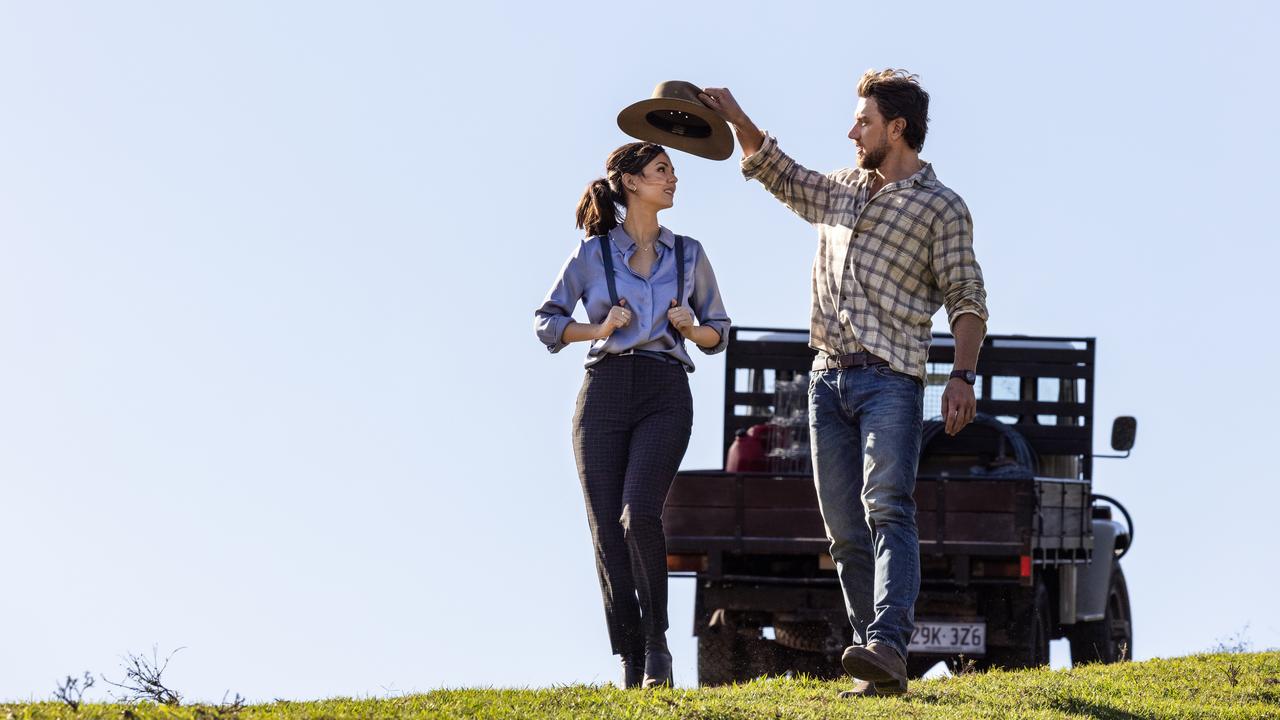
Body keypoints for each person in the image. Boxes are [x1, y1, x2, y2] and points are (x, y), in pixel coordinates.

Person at [698, 69, 989, 697]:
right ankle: (876, 660)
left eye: (863, 120)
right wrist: (736, 117)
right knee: (843, 530)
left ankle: (887, 642)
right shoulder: (840, 190)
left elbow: (967, 298)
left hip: (892, 380)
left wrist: (962, 375)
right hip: (826, 378)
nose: (852, 130)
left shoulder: (941, 206)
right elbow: (781, 173)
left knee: (887, 507)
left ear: (897, 128)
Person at [534, 141, 732, 688]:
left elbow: (720, 333)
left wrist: (691, 328)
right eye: (662, 170)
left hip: (665, 391)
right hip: (602, 393)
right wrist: (596, 330)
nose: (673, 180)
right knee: (604, 529)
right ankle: (631, 661)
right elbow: (546, 322)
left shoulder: (690, 253)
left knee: (637, 514)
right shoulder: (591, 255)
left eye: (672, 171)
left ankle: (658, 648)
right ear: (630, 182)